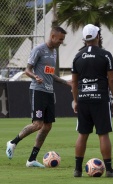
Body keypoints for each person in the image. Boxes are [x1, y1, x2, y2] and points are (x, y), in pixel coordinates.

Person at [6, 26, 71, 167]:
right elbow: (27, 70)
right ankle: (13, 142)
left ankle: (31, 160)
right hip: (38, 90)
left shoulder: (54, 53)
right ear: (53, 36)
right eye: (60, 39)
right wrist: (35, 76)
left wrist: (66, 82)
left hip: (49, 92)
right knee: (38, 124)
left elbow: (50, 74)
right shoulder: (39, 50)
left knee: (47, 126)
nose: (61, 42)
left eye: (63, 40)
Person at [72, 24, 113, 177]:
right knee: (103, 133)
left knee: (82, 133)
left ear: (84, 39)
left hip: (83, 98)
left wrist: (75, 100)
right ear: (98, 36)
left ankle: (77, 170)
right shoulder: (105, 55)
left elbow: (74, 83)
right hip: (100, 98)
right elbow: (112, 80)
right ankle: (110, 170)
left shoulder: (77, 56)